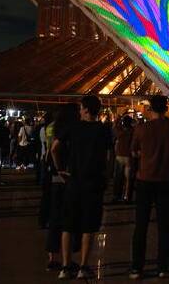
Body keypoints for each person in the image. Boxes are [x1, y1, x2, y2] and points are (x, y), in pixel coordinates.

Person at [53, 95, 113, 280]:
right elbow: (110, 155)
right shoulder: (103, 130)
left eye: (81, 107)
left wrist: (60, 170)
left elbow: (54, 148)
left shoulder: (73, 127)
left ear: (86, 109)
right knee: (89, 226)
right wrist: (107, 176)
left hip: (74, 181)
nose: (79, 110)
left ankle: (65, 266)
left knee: (68, 225)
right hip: (93, 182)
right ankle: (84, 266)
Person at [128, 95, 169, 279]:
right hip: (165, 180)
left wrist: (143, 153)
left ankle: (136, 267)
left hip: (144, 179)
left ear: (150, 109)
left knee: (141, 225)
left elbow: (133, 151)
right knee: (164, 226)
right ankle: (162, 266)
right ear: (165, 109)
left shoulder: (142, 129)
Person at [44, 104, 79, 273]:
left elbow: (50, 148)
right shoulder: (71, 130)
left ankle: (52, 257)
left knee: (54, 216)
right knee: (68, 219)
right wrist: (61, 169)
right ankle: (66, 259)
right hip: (65, 176)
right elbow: (54, 149)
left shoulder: (53, 127)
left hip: (53, 176)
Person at [112, 115, 135, 203]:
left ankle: (116, 195)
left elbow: (114, 126)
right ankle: (127, 196)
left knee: (118, 177)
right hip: (129, 156)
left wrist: (118, 119)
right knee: (129, 179)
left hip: (119, 156)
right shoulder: (133, 131)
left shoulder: (120, 131)